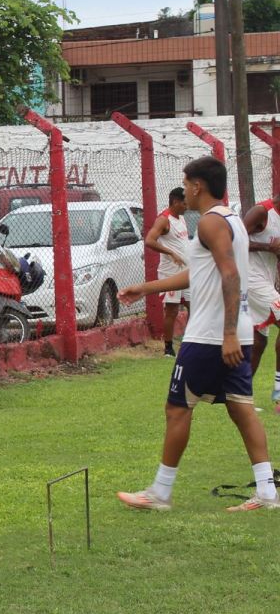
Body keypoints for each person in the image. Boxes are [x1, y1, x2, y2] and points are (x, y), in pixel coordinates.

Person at [116, 157, 275, 512]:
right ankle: (266, 492)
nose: (183, 190)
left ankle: (160, 491)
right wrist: (146, 288)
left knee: (177, 408)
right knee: (241, 408)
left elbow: (230, 275)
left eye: (186, 183)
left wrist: (228, 334)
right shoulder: (230, 219)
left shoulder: (209, 222)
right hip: (235, 333)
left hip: (210, 337)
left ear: (198, 185)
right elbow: (200, 275)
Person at [143, 187, 190, 357]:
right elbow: (149, 240)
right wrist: (170, 252)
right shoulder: (164, 220)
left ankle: (191, 343)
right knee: (172, 310)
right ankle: (168, 348)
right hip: (171, 273)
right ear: (176, 202)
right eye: (184, 203)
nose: (187, 206)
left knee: (195, 307)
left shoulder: (181, 218)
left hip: (187, 272)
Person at [241, 194, 280, 393]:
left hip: (265, 281)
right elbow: (234, 240)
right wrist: (268, 247)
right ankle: (279, 390)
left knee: (259, 341)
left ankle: (241, 392)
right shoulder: (262, 211)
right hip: (250, 279)